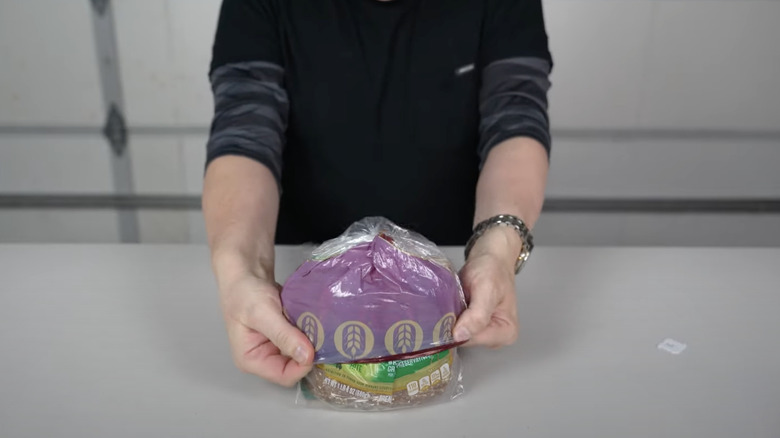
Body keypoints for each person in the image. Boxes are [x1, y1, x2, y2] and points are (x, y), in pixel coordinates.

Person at [203, 0, 552, 387]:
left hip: (450, 276)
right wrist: (241, 273)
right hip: (303, 280)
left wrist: (497, 251)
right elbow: (245, 128)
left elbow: (516, 115)